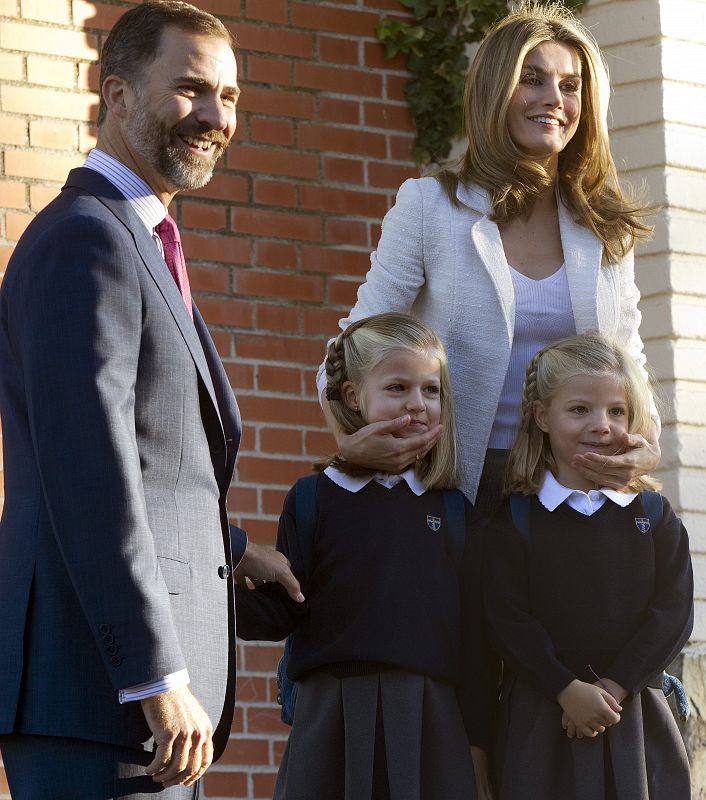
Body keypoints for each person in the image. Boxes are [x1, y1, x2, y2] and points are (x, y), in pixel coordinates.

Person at [0, 2, 302, 797]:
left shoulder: (142, 237)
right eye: (192, 89)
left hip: (141, 714)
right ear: (119, 95)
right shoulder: (87, 238)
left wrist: (232, 552)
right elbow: (88, 471)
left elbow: (149, 459)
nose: (214, 116)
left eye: (229, 97)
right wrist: (151, 677)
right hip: (104, 698)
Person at [318, 1, 660, 517]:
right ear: (494, 89)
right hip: (454, 484)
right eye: (534, 79)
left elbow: (627, 354)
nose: (555, 99)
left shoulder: (603, 227)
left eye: (571, 86)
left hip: (573, 486)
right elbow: (357, 339)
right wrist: (350, 438)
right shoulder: (430, 206)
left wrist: (648, 439)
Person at [236, 312, 497, 800]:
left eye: (431, 389)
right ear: (355, 397)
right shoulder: (314, 498)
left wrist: (478, 744)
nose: (417, 403)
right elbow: (278, 613)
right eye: (397, 387)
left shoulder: (455, 512)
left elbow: (476, 643)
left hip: (433, 721)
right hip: (329, 718)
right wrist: (219, 569)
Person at [484, 333, 693, 799]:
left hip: (635, 714)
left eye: (616, 411)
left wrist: (616, 687)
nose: (601, 425)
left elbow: (673, 614)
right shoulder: (515, 519)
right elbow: (506, 617)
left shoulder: (652, 516)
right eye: (580, 410)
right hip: (542, 715)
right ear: (542, 416)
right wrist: (565, 689)